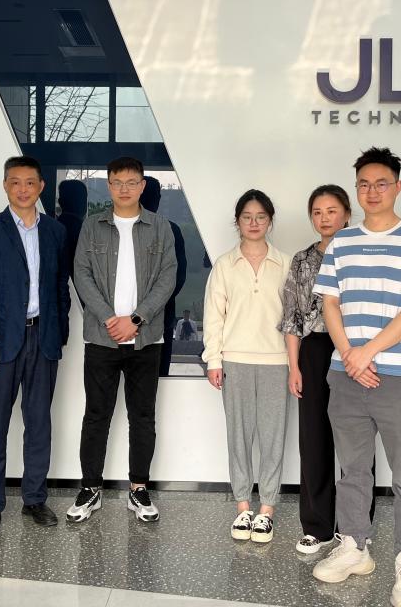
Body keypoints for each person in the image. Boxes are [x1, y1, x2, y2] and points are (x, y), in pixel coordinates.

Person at [312, 147, 401, 607]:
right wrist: (349, 355)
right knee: (353, 470)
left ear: (398, 186)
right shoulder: (341, 242)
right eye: (364, 184)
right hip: (346, 374)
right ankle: (354, 546)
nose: (372, 192)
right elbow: (330, 303)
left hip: (396, 373)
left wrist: (367, 352)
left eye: (381, 183)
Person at [66, 156, 178, 524]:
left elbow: (168, 277)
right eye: (117, 182)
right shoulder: (92, 226)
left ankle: (138, 489)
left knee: (142, 417)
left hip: (146, 339)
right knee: (96, 415)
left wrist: (137, 319)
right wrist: (109, 319)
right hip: (103, 337)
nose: (124, 189)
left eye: (132, 182)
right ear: (109, 185)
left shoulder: (160, 227)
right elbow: (81, 273)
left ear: (143, 185)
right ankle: (90, 488)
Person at [0, 155, 71, 533]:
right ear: (5, 186)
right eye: (15, 182)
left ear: (41, 186)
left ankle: (35, 499)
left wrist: (60, 332)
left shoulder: (55, 231)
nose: (23, 189)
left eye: (30, 182)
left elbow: (60, 287)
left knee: (39, 423)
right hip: (0, 342)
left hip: (43, 338)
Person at [203, 189, 289, 544]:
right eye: (247, 217)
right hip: (235, 360)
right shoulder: (225, 264)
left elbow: (295, 318)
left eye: (261, 217)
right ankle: (242, 506)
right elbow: (214, 316)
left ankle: (266, 509)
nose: (254, 223)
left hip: (277, 361)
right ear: (237, 221)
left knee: (273, 437)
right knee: (238, 436)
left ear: (270, 221)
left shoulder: (285, 264)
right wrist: (214, 359)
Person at [279, 184, 351, 554]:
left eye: (331, 211)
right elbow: (292, 317)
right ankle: (317, 526)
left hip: (354, 350)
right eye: (317, 212)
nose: (324, 218)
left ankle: (353, 527)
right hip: (314, 349)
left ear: (347, 214)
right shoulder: (302, 260)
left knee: (355, 438)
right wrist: (294, 366)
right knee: (313, 437)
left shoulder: (359, 253)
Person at [141, 176, 188, 375]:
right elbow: (178, 277)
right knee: (159, 377)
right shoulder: (172, 230)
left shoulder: (170, 230)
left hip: (131, 318)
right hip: (161, 315)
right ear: (158, 199)